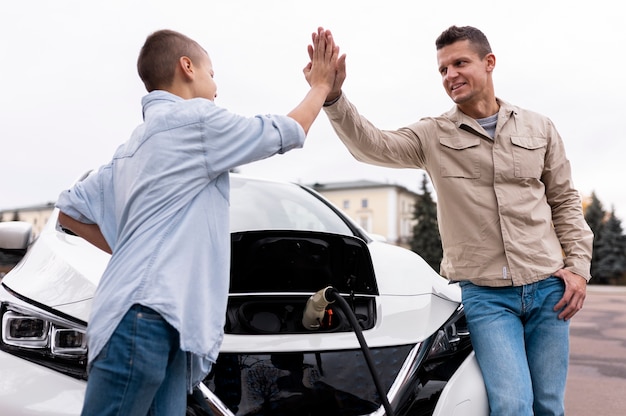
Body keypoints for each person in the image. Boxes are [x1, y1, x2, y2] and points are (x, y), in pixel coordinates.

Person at [56, 27, 339, 416]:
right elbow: (285, 132)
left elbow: (70, 211)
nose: (217, 87)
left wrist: (131, 248)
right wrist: (321, 86)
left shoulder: (130, 151)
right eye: (212, 73)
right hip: (145, 317)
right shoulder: (194, 121)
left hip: (161, 321)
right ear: (186, 67)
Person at [311, 25, 593, 415]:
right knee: (512, 404)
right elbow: (372, 145)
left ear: (489, 63)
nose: (450, 75)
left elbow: (564, 201)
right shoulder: (433, 135)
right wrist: (334, 97)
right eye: (443, 69)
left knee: (549, 404)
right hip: (488, 297)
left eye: (460, 63)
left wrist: (578, 268)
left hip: (548, 290)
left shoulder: (539, 127)